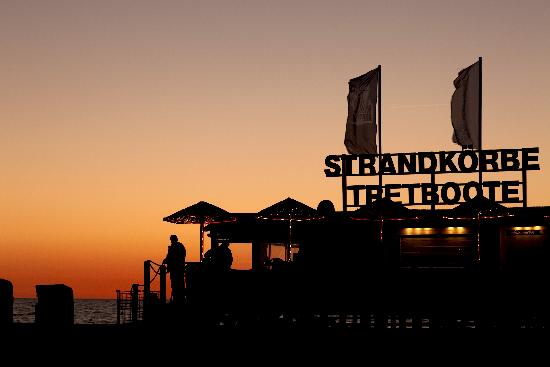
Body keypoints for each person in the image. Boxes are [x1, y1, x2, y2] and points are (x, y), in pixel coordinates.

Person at [162, 234, 186, 304]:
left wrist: (166, 260)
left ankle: (176, 299)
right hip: (180, 268)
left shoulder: (173, 247)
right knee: (180, 284)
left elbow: (170, 256)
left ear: (172, 240)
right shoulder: (181, 246)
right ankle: (180, 298)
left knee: (175, 284)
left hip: (175, 269)